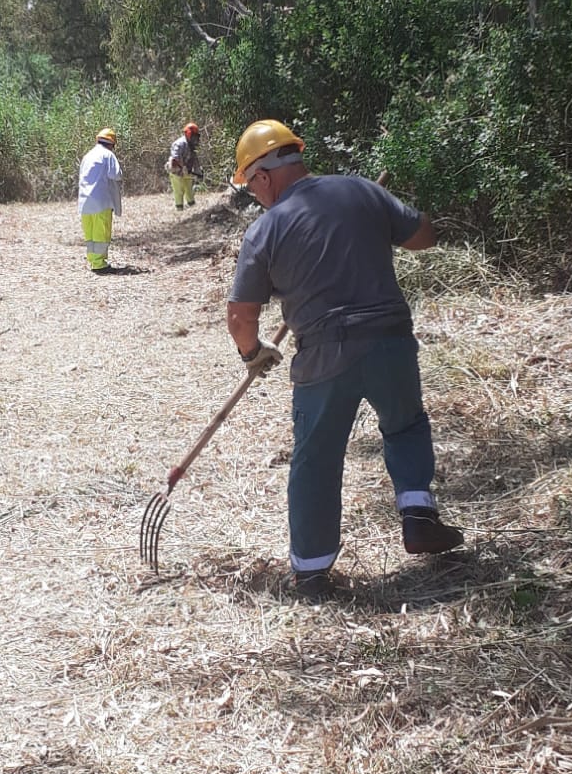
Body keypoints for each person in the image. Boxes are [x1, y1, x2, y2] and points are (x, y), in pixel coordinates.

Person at [226, 119, 464, 593]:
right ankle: (418, 514)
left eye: (251, 186)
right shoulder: (360, 192)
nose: (255, 196)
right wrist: (375, 221)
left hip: (324, 355)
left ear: (265, 176)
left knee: (316, 457)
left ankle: (312, 571)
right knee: (406, 426)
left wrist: (253, 352)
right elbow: (425, 235)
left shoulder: (266, 229)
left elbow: (240, 316)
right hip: (390, 340)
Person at [77, 126, 123, 273]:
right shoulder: (108, 155)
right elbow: (116, 175)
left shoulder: (87, 156)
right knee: (101, 234)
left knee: (90, 235)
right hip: (101, 201)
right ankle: (100, 265)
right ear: (112, 144)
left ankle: (93, 261)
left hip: (84, 202)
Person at [167, 122, 201, 210]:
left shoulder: (192, 146)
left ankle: (192, 206)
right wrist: (182, 167)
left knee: (189, 189)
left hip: (187, 171)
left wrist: (199, 173)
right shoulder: (179, 144)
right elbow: (175, 158)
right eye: (193, 136)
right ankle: (179, 208)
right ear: (188, 134)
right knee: (179, 191)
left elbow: (195, 161)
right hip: (176, 171)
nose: (195, 138)